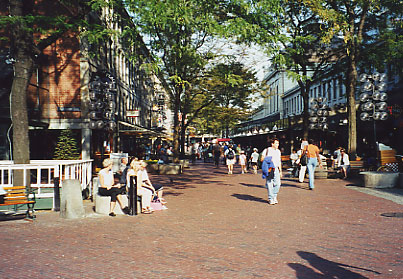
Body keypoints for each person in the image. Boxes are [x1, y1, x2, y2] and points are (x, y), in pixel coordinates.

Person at [261, 138, 282, 205]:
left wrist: (280, 170)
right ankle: (271, 198)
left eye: (278, 143)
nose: (277, 145)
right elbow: (261, 159)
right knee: (269, 184)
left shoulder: (278, 151)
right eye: (276, 143)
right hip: (269, 169)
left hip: (276, 169)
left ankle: (274, 196)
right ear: (272, 144)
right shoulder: (267, 150)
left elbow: (279, 161)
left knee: (278, 184)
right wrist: (268, 159)